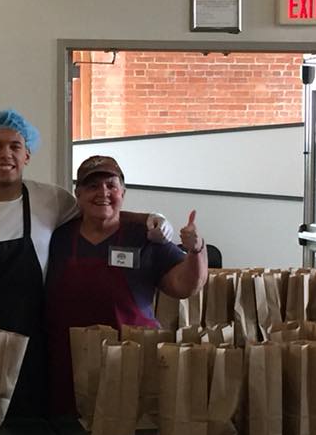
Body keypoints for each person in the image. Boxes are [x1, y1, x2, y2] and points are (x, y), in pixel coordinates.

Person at [0, 110, 172, 418]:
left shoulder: (51, 201)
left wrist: (150, 218)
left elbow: (100, 211)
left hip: (35, 349)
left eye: (15, 146)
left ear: (27, 154)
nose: (5, 154)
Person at [45, 155, 208, 415]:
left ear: (123, 191)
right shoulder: (57, 238)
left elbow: (185, 287)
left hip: (131, 363)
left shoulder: (145, 238)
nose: (103, 193)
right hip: (68, 365)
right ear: (78, 194)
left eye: (111, 186)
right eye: (93, 186)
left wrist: (197, 249)